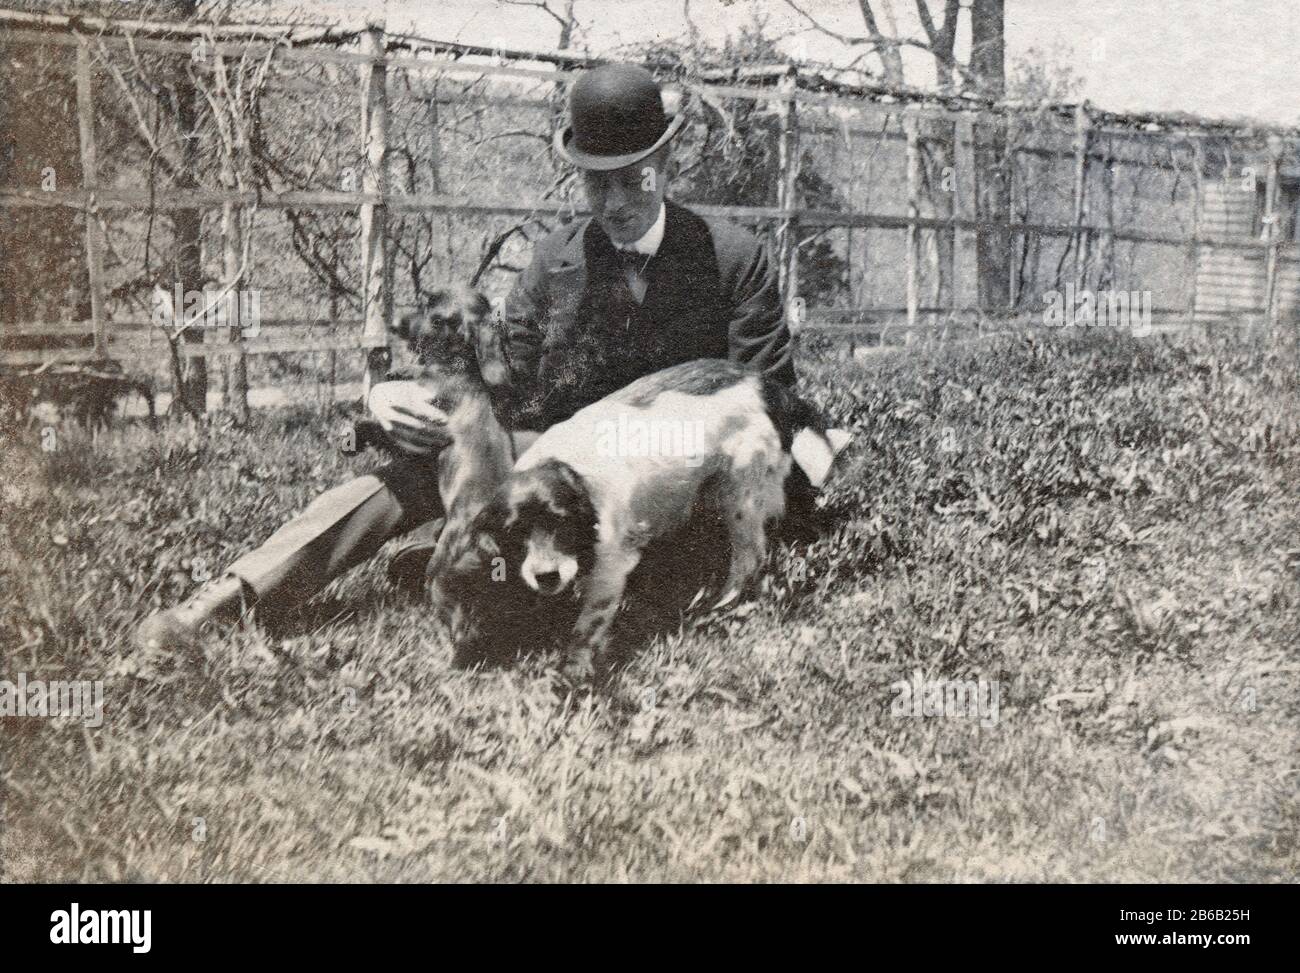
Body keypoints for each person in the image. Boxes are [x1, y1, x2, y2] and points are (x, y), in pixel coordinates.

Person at [135, 62, 798, 653]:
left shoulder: (733, 258)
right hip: (555, 466)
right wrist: (389, 397)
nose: (615, 203)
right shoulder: (555, 259)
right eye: (597, 185)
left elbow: (768, 410)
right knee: (457, 433)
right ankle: (231, 598)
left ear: (665, 165)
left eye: (632, 180)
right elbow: (498, 374)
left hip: (667, 482)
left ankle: (473, 565)